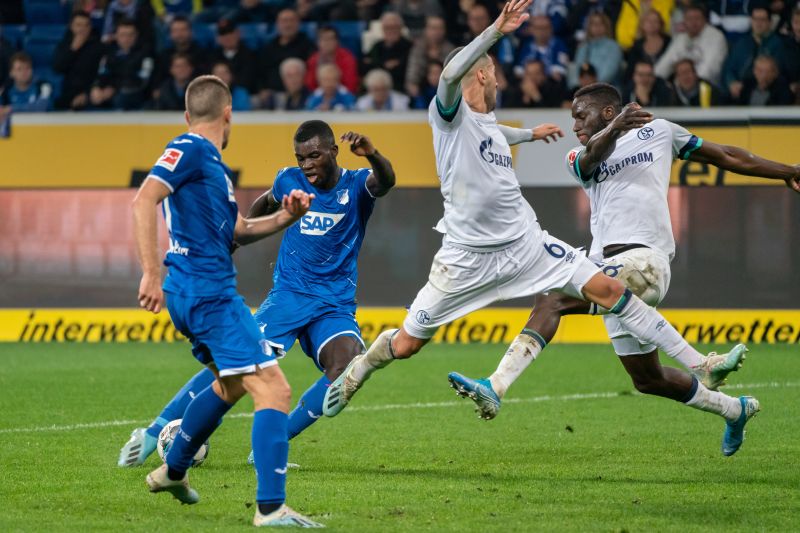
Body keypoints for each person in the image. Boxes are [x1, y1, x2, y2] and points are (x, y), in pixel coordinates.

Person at [322, 1, 766, 461]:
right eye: (492, 72)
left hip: (526, 243)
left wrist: (531, 134)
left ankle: (703, 363)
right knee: (407, 344)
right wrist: (495, 30)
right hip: (464, 255)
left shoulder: (490, 128)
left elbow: (500, 135)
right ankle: (361, 369)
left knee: (608, 289)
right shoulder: (448, 114)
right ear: (479, 73)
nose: (497, 79)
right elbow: (450, 73)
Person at [449, 82, 800, 456]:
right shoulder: (578, 156)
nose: (574, 126)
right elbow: (590, 159)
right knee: (648, 379)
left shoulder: (661, 131)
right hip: (609, 271)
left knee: (552, 299)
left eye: (579, 116)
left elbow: (727, 155)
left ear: (605, 111)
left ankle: (497, 386)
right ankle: (734, 410)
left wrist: (786, 170)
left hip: (644, 261)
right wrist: (614, 129)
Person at [119, 120, 395, 469]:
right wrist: (233, 242)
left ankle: (271, 444)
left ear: (333, 152)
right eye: (300, 157)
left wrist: (372, 154)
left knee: (348, 364)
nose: (306, 164)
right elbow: (266, 202)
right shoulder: (288, 180)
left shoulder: (355, 185)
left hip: (334, 304)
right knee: (230, 365)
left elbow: (385, 181)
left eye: (314, 156)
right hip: (289, 297)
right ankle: (153, 432)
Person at [132, 74, 322, 527]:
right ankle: (271, 508)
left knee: (232, 384)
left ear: (187, 112)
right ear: (228, 113)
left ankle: (173, 471)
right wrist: (150, 272)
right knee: (274, 388)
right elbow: (144, 199)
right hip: (207, 292)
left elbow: (239, 230)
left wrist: (286, 216)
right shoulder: (192, 147)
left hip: (193, 293)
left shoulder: (212, 166)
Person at [90, 18, 154, 110]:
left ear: (136, 36)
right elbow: (102, 74)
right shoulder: (109, 53)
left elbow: (142, 81)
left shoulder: (146, 54)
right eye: (122, 35)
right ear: (116, 36)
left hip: (136, 95)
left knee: (121, 98)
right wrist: (96, 87)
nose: (126, 39)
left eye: (130, 35)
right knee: (92, 98)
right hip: (111, 93)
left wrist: (114, 89)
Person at [655, 4, 727, 85]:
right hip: (682, 86)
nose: (693, 22)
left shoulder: (716, 37)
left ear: (705, 20)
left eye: (697, 18)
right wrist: (653, 79)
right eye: (689, 19)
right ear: (684, 21)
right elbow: (664, 64)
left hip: (708, 86)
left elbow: (710, 70)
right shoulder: (681, 38)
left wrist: (681, 84)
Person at [53, 11, 105, 110]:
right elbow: (57, 68)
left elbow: (102, 73)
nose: (82, 29)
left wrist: (86, 94)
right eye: (78, 25)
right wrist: (73, 49)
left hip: (91, 92)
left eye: (86, 25)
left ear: (90, 28)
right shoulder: (64, 45)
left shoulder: (99, 48)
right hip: (68, 93)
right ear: (71, 26)